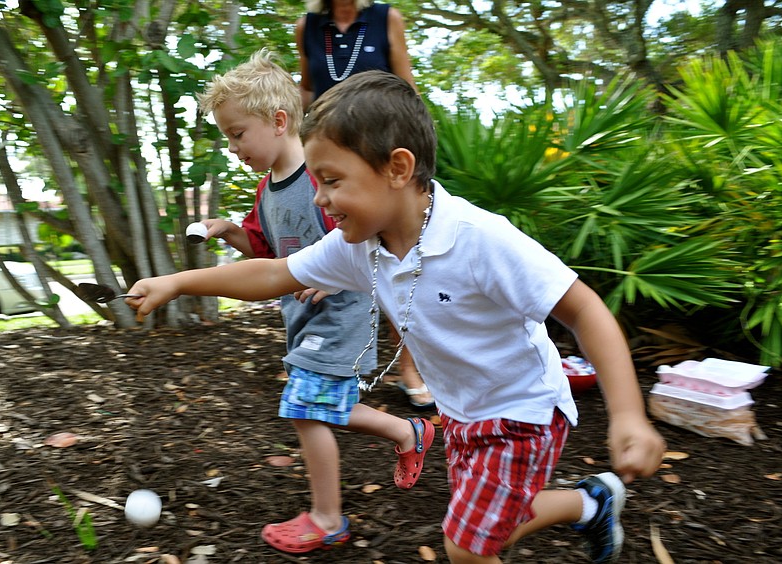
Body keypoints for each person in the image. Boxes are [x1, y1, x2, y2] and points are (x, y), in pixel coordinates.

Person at [129, 71, 666, 564]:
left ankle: (583, 505)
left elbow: (584, 309)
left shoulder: (480, 239)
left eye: (332, 180)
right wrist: (176, 282)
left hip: (521, 412)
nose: (321, 198)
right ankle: (590, 503)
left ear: (398, 168)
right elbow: (272, 275)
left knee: (466, 546)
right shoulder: (361, 244)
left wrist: (628, 416)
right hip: (462, 413)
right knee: (486, 525)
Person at [192, 52, 434, 555]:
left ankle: (328, 518)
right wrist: (231, 231)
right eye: (227, 136)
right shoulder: (268, 190)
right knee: (325, 404)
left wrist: (330, 278)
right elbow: (266, 254)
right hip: (302, 318)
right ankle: (406, 430)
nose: (233, 146)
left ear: (279, 122)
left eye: (238, 133)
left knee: (305, 408)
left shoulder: (322, 180)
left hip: (345, 313)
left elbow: (365, 240)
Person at [297, 0, 434, 409]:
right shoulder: (307, 26)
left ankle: (410, 366)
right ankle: (334, 364)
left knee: (399, 257)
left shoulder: (384, 18)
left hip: (377, 159)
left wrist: (419, 155)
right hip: (331, 161)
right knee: (345, 257)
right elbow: (307, 89)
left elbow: (406, 89)